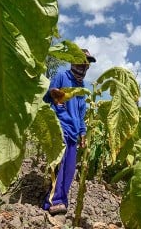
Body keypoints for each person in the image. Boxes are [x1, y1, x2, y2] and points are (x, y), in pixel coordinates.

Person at [42, 49, 96, 215]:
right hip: (60, 127)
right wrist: (54, 94)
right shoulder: (62, 76)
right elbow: (47, 97)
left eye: (87, 63)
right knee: (60, 165)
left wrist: (82, 132)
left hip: (73, 132)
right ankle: (53, 202)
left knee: (70, 169)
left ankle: (62, 200)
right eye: (81, 61)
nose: (84, 65)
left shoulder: (82, 87)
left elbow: (80, 113)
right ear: (73, 61)